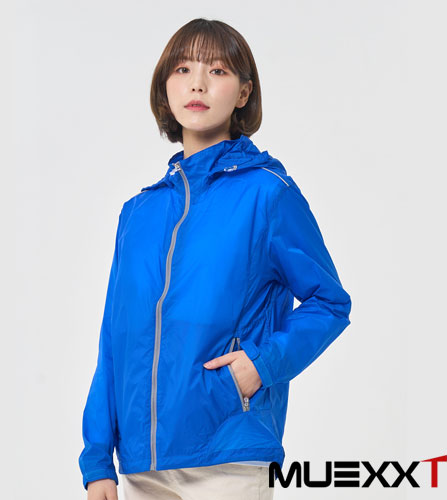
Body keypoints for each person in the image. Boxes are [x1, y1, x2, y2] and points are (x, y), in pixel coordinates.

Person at [78, 17, 352, 500]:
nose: (198, 83)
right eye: (183, 69)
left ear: (244, 93)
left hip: (228, 457)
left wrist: (257, 367)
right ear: (165, 90)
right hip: (141, 467)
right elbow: (114, 341)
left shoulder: (268, 194)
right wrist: (98, 458)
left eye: (218, 70)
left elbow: (329, 303)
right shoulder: (138, 213)